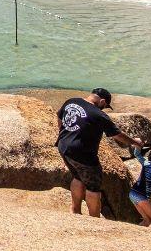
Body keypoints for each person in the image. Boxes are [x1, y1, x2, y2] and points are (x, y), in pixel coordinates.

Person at [57, 88, 143, 218]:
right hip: (83, 154)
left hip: (64, 147)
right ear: (102, 101)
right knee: (93, 187)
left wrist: (64, 133)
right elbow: (117, 135)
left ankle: (75, 210)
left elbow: (59, 116)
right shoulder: (99, 115)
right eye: (105, 106)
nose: (104, 108)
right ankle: (94, 219)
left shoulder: (71, 101)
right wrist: (135, 142)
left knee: (77, 176)